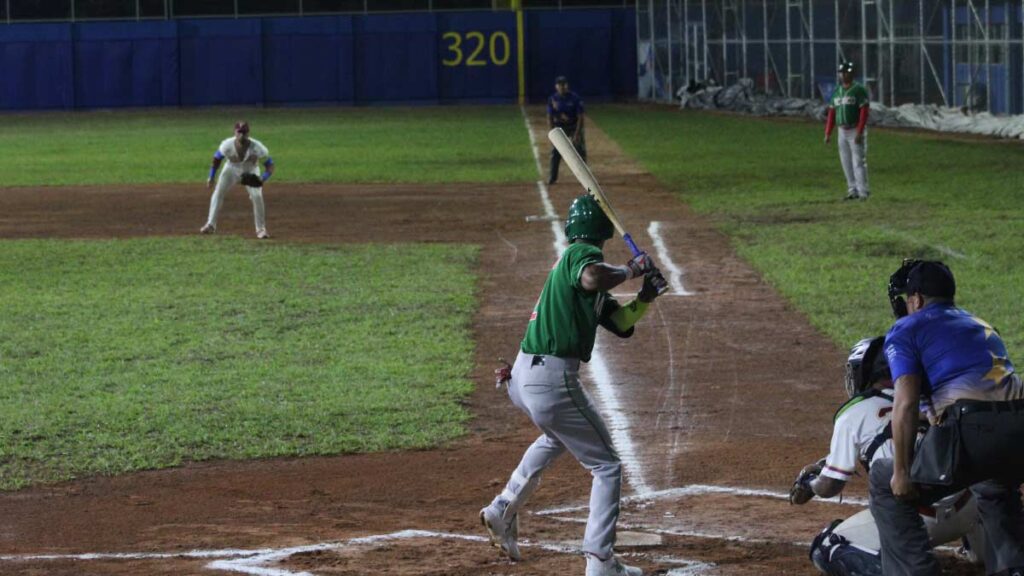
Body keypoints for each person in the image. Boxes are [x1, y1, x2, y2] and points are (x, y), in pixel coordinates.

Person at [480, 194, 667, 576]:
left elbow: (622, 324)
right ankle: (600, 562)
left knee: (556, 438)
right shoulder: (579, 256)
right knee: (608, 466)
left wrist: (645, 296)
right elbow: (592, 276)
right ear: (601, 232)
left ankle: (502, 509)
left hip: (526, 377)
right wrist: (632, 268)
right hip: (549, 380)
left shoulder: (588, 275)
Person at [869, 259, 1024, 575]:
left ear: (916, 300)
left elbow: (906, 404)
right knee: (994, 483)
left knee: (885, 481)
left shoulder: (906, 328)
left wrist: (901, 472)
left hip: (972, 430)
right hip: (1019, 427)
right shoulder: (979, 323)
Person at [790, 337, 985, 576]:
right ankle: (982, 553)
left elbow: (830, 486)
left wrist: (810, 483)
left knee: (829, 544)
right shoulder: (938, 395)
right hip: (971, 511)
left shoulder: (854, 412)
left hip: (917, 521)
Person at [201, 121, 275, 239]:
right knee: (218, 192)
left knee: (257, 196)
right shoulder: (227, 145)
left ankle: (261, 229)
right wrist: (211, 176)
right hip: (231, 169)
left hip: (251, 170)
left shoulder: (258, 147)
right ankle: (210, 225)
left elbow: (270, 166)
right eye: (239, 132)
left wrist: (262, 179)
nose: (241, 135)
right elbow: (216, 160)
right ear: (235, 132)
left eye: (244, 132)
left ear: (248, 133)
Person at [824, 61, 870, 201]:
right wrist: (828, 132)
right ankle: (852, 190)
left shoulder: (858, 89)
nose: (843, 75)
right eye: (841, 72)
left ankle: (863, 192)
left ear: (851, 73)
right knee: (846, 162)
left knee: (858, 161)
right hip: (842, 130)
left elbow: (864, 112)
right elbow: (832, 113)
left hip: (855, 128)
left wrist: (860, 132)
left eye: (846, 72)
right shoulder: (837, 91)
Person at [547, 76, 586, 185]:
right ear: (556, 86)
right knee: (556, 152)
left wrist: (577, 133)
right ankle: (552, 177)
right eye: (560, 85)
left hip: (573, 126)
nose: (562, 87)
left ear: (567, 85)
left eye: (564, 84)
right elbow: (549, 117)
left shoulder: (575, 98)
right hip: (560, 127)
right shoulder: (553, 99)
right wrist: (552, 134)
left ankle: (585, 179)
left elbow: (580, 117)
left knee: (580, 150)